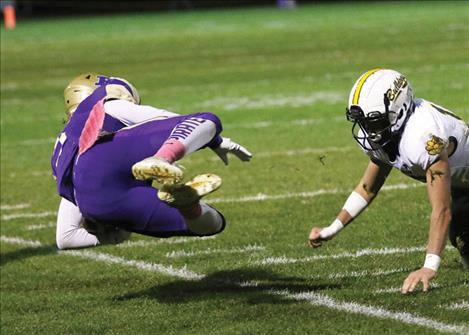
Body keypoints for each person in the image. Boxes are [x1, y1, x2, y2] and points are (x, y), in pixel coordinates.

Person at [308, 68, 468, 294]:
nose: (368, 131)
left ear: (399, 110)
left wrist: (428, 268)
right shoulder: (389, 133)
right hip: (463, 188)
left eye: (374, 122)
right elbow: (368, 187)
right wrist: (332, 228)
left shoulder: (423, 138)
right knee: (463, 239)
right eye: (363, 122)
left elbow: (441, 210)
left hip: (463, 187)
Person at [52, 73, 252, 250]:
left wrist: (109, 233)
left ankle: (189, 206)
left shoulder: (63, 149)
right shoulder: (108, 105)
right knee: (208, 119)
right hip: (103, 161)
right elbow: (171, 119)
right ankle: (162, 158)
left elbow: (66, 238)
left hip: (95, 203)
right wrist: (215, 141)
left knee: (213, 224)